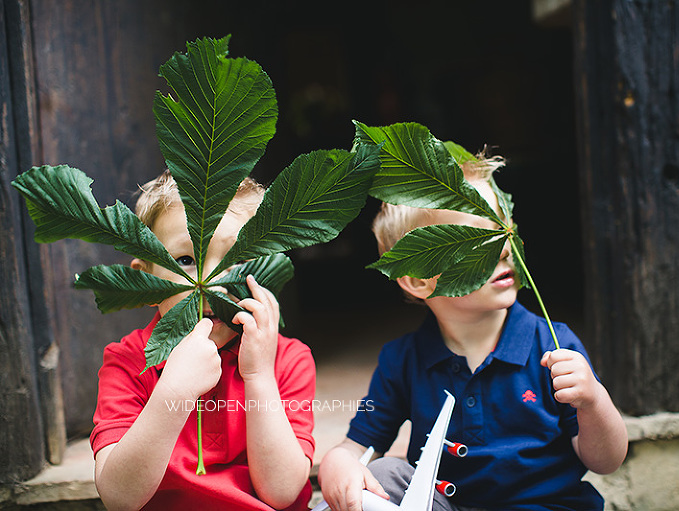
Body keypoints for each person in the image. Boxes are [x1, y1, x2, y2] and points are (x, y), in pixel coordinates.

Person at [317, 151, 628, 511]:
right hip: (448, 506)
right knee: (384, 474)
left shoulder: (553, 346)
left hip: (545, 506)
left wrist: (593, 400)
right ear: (418, 280)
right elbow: (358, 447)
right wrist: (338, 465)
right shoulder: (403, 359)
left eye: (502, 227)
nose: (504, 247)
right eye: (472, 241)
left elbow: (606, 462)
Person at [90, 170, 315, 511]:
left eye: (235, 260)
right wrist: (174, 392)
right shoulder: (128, 362)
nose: (211, 284)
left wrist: (258, 376)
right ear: (145, 281)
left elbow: (282, 491)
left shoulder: (288, 360)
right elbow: (120, 498)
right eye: (185, 259)